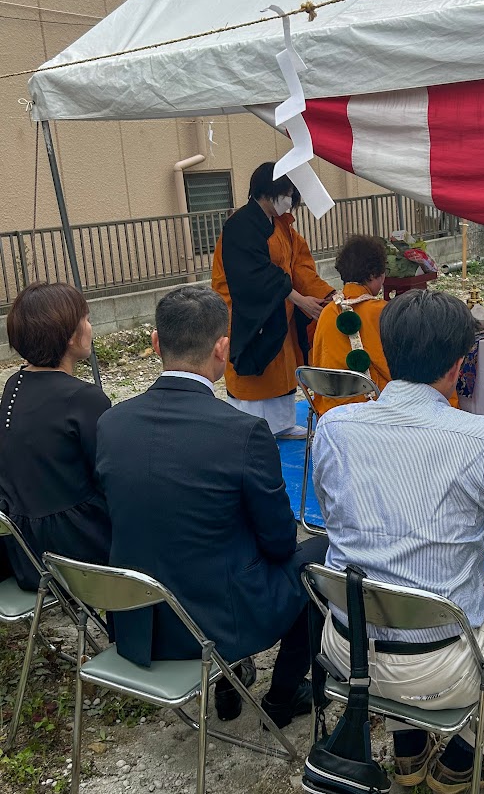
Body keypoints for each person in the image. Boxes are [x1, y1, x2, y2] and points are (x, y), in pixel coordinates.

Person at [313, 289, 484, 794]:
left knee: (387, 589)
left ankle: (408, 754)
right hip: (438, 666)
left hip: (347, 649)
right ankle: (468, 754)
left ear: (387, 352)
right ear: (459, 364)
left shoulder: (333, 426)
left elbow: (334, 517)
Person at [95, 286, 327, 725]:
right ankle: (281, 696)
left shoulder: (110, 424)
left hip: (138, 621)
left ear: (156, 344)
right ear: (223, 349)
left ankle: (233, 675)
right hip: (216, 622)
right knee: (322, 554)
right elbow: (279, 543)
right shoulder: (243, 433)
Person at [0, 283, 111, 590]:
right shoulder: (84, 398)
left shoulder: (14, 384)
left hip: (23, 550)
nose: (90, 327)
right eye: (86, 319)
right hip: (75, 555)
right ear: (71, 336)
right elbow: (107, 475)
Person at [211, 162, 334, 439]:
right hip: (247, 311)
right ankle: (250, 430)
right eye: (287, 193)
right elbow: (255, 274)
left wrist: (325, 295)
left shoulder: (281, 226)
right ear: (268, 191)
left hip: (279, 308)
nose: (290, 201)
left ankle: (280, 425)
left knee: (281, 368)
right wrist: (298, 299)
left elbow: (299, 265)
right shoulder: (240, 225)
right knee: (255, 370)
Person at [310, 234, 390, 413]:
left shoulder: (327, 312)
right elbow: (392, 368)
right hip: (370, 409)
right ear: (372, 275)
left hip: (330, 409)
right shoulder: (380, 311)